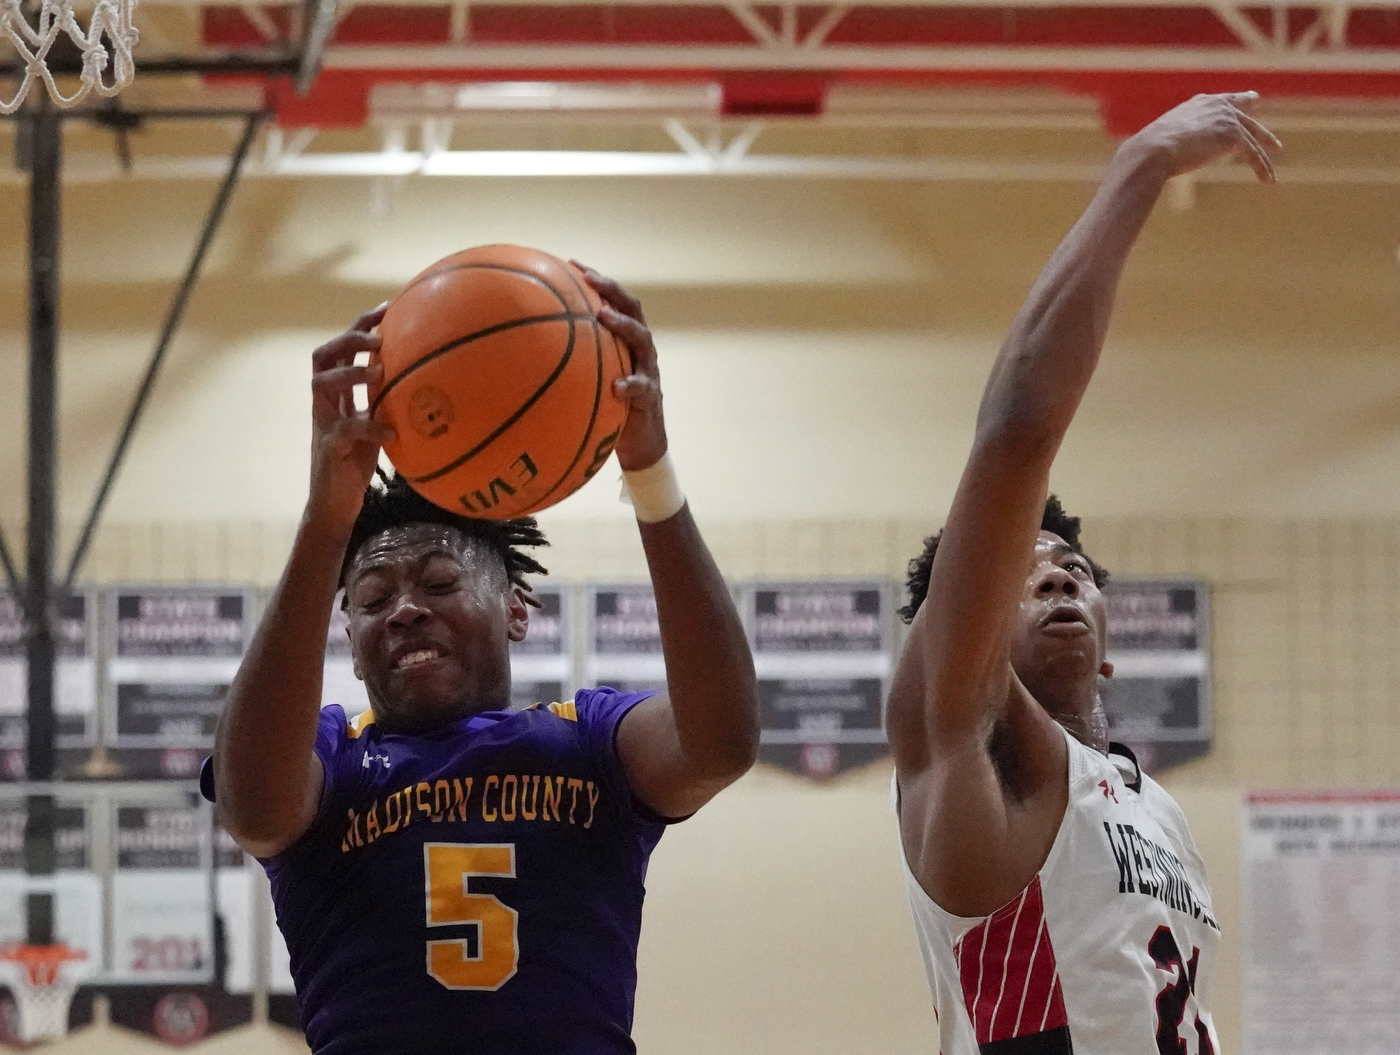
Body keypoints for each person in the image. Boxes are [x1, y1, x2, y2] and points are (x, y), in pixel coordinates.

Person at [207, 267, 759, 1055]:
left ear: (516, 609)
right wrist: (325, 520)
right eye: (371, 597)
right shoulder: (336, 754)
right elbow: (254, 808)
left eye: (438, 581)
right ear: (352, 645)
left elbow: (722, 743)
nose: (404, 607)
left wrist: (650, 470)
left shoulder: (588, 738)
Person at [886, 93, 1279, 1055]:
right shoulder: (963, 740)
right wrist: (1139, 166)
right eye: (1020, 571)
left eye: (1073, 568)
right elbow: (1017, 433)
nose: (1057, 578)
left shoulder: (1161, 809)